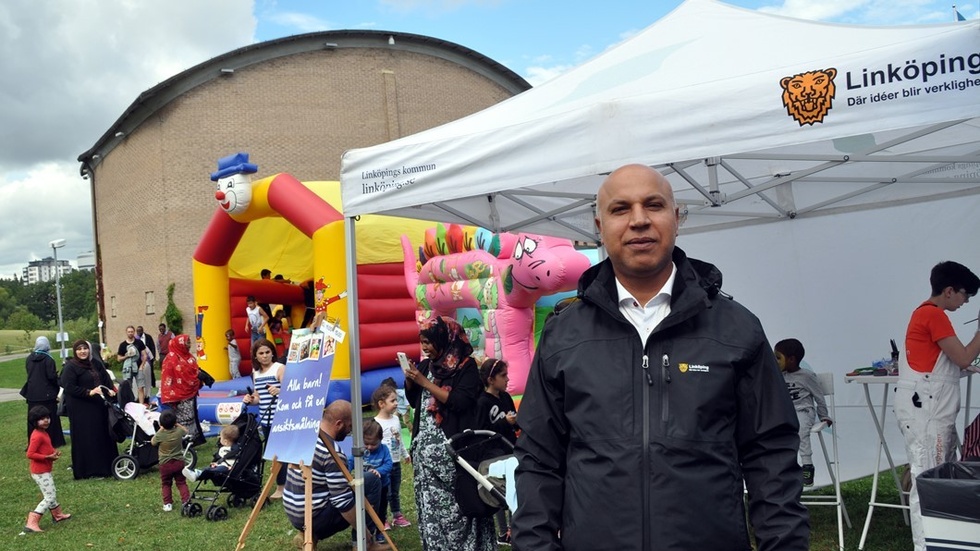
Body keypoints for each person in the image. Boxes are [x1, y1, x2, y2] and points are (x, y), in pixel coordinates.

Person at [512, 164, 808, 551]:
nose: (639, 221)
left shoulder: (736, 329)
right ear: (599, 226)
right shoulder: (564, 335)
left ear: (677, 218)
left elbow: (771, 455)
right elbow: (538, 458)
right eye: (621, 209)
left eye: (653, 205)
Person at [895, 260, 980, 551]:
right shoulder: (933, 316)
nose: (966, 302)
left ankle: (946, 540)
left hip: (929, 410)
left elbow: (944, 363)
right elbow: (964, 357)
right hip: (927, 414)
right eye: (965, 295)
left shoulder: (926, 314)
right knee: (928, 480)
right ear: (949, 290)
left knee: (939, 476)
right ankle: (926, 545)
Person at [402, 315, 495, 550]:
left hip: (454, 455)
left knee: (459, 508)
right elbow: (416, 403)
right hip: (425, 457)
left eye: (428, 342)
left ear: (445, 338)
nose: (424, 348)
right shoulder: (426, 366)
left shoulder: (466, 367)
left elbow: (461, 402)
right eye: (422, 342)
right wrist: (411, 382)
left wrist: (425, 383)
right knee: (431, 509)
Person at [282, 400, 390, 551]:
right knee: (371, 481)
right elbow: (342, 502)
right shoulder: (332, 453)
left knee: (346, 484)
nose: (349, 432)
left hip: (294, 512)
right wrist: (363, 530)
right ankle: (365, 542)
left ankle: (309, 534)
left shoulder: (304, 436)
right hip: (314, 516)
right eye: (350, 427)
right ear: (339, 424)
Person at [775, 338, 832, 487]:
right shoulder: (778, 375)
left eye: (778, 357)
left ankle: (807, 465)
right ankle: (782, 467)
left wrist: (824, 416)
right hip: (785, 412)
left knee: (800, 431)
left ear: (792, 360)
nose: (775, 361)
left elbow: (819, 396)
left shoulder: (807, 376)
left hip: (803, 410)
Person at [61, 339, 118, 480]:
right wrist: (89, 392)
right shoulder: (71, 367)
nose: (82, 351)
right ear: (75, 351)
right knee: (88, 438)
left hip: (98, 407)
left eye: (85, 348)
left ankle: (106, 466)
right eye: (79, 349)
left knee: (101, 435)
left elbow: (105, 379)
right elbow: (69, 387)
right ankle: (90, 470)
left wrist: (110, 390)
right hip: (81, 409)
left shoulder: (95, 363)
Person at [477, 358, 518, 546]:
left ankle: (515, 528)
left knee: (516, 486)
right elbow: (482, 430)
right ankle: (503, 532)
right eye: (503, 376)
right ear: (491, 379)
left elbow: (513, 422)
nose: (507, 379)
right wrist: (504, 423)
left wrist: (517, 421)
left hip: (511, 448)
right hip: (493, 454)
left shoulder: (505, 397)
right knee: (500, 490)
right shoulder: (482, 402)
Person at [242, 338, 286, 498]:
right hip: (266, 419)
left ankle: (281, 487)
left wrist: (280, 390)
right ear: (255, 356)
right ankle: (284, 485)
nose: (265, 356)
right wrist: (250, 399)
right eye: (261, 353)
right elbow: (258, 397)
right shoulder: (256, 373)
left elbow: (291, 390)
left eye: (268, 352)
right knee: (274, 452)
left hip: (281, 418)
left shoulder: (279, 368)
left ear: (273, 352)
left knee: (280, 454)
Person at [23, 405, 71, 534]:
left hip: (45, 469)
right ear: (34, 421)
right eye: (42, 419)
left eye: (47, 418)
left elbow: (46, 448)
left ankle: (58, 515)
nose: (46, 421)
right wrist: (46, 457)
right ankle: (32, 522)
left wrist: (53, 453)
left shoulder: (43, 432)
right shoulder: (36, 436)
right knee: (49, 496)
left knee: (51, 492)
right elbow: (30, 454)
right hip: (40, 471)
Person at [372, 384, 412, 530]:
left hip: (396, 463)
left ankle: (397, 515)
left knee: (394, 491)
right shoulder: (376, 423)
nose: (396, 403)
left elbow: (399, 439)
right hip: (382, 465)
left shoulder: (395, 420)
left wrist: (405, 454)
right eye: (393, 401)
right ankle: (381, 518)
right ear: (381, 404)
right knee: (384, 492)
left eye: (396, 400)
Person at [347, 419, 393, 545]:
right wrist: (346, 470)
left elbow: (389, 464)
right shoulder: (359, 450)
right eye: (366, 443)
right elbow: (350, 462)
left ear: (380, 440)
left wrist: (380, 471)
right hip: (363, 488)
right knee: (363, 510)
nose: (369, 447)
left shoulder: (383, 450)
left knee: (380, 510)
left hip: (382, 487)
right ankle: (361, 532)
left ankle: (379, 532)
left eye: (373, 444)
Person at [160, 334, 204, 446]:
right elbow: (168, 378)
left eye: (189, 342)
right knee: (181, 419)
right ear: (180, 344)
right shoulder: (170, 358)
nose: (189, 345)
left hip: (190, 392)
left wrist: (199, 377)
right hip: (177, 395)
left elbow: (193, 371)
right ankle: (182, 441)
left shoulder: (189, 357)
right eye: (187, 343)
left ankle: (192, 440)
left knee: (191, 416)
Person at [23, 336, 65, 448]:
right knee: (50, 417)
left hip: (32, 393)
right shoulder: (48, 359)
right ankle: (54, 440)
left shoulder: (29, 358)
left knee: (33, 418)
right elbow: (51, 376)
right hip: (47, 394)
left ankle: (34, 441)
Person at [150, 409, 189, 512]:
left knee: (166, 484)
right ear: (175, 422)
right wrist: (178, 425)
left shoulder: (160, 434)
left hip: (165, 464)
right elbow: (186, 431)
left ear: (161, 423)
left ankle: (167, 504)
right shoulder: (179, 431)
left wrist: (160, 429)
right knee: (181, 482)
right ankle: (186, 501)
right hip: (179, 462)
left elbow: (153, 442)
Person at [116, 325, 149, 405]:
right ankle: (130, 405)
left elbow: (145, 355)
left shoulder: (139, 342)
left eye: (132, 331)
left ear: (134, 332)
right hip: (128, 369)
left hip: (138, 368)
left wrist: (142, 365)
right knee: (128, 388)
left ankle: (141, 405)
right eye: (129, 332)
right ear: (126, 333)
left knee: (140, 387)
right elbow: (118, 359)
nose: (130, 333)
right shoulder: (123, 345)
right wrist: (127, 356)